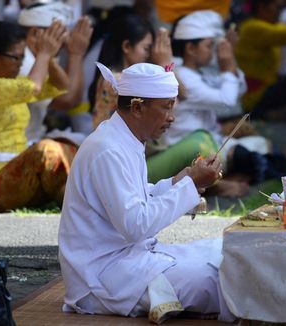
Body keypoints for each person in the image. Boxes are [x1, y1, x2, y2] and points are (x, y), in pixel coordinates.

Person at [58, 62, 236, 323]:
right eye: (166, 107)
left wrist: (180, 181)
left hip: (129, 260)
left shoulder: (124, 138)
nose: (172, 117)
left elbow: (136, 198)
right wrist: (188, 186)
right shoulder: (108, 149)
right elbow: (136, 224)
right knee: (218, 277)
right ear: (138, 107)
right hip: (102, 276)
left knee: (226, 253)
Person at [168, 10, 286, 189]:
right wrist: (227, 65)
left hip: (211, 140)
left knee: (264, 145)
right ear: (190, 49)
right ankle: (226, 182)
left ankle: (236, 175)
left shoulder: (197, 72)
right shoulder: (184, 77)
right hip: (192, 148)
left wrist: (230, 62)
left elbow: (238, 89)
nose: (213, 52)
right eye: (209, 46)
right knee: (252, 158)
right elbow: (227, 100)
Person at [0, 21, 76, 213]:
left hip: (12, 176)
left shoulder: (8, 84)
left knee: (71, 149)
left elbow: (61, 85)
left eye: (23, 58)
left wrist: (48, 58)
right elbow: (34, 87)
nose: (21, 64)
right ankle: (82, 212)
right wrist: (44, 54)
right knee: (46, 151)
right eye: (16, 58)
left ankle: (84, 210)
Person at [18, 1, 94, 142]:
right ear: (35, 33)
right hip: (20, 145)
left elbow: (75, 100)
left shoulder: (41, 56)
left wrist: (76, 54)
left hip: (34, 138)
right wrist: (76, 55)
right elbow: (66, 101)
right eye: (60, 33)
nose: (65, 40)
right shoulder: (22, 61)